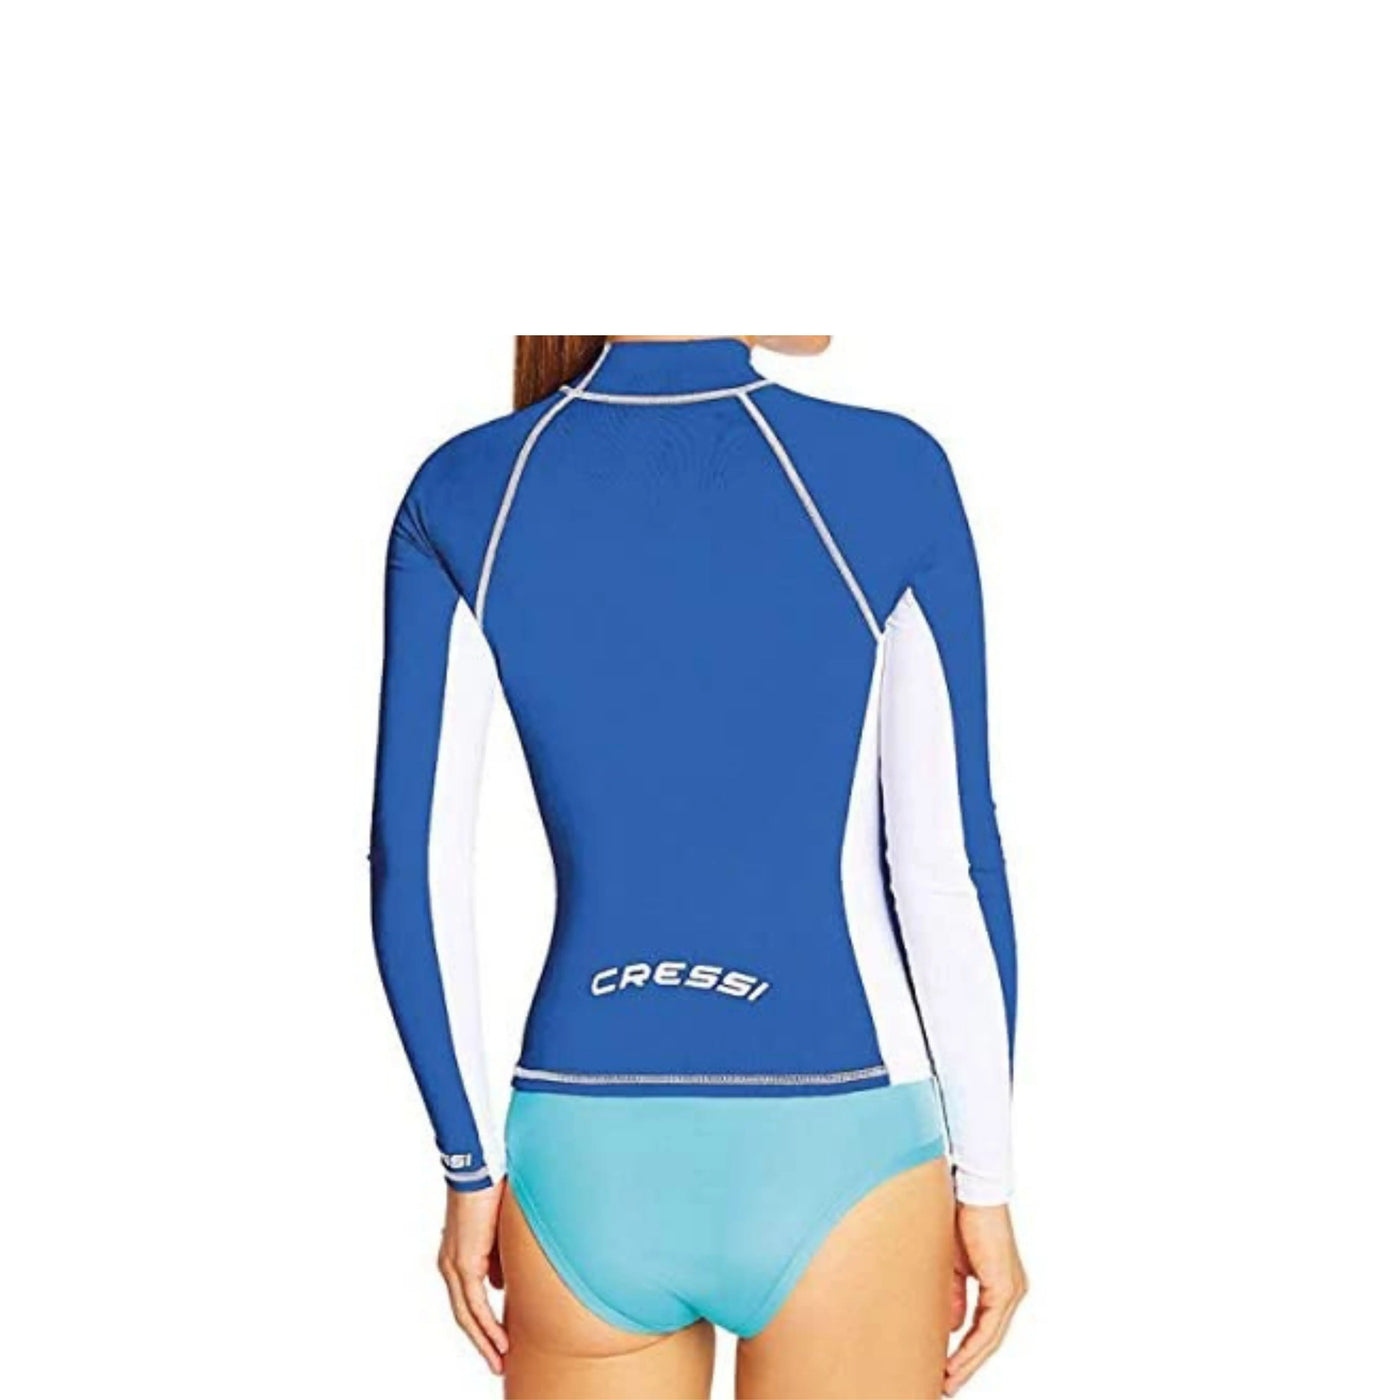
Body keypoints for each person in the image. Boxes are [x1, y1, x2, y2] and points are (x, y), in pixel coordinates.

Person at [370, 335, 1027, 1398]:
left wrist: (467, 1165)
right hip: (846, 1143)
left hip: (583, 1156)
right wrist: (986, 1181)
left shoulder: (469, 485)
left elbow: (415, 867)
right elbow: (943, 866)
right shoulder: (888, 469)